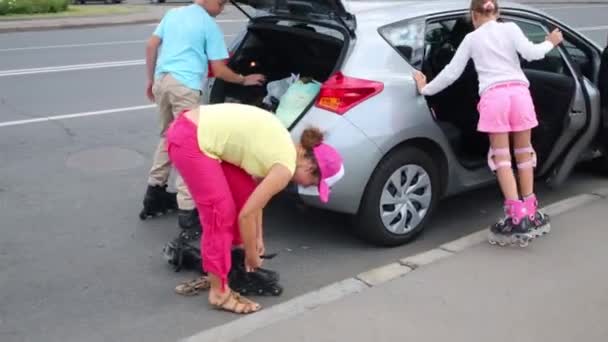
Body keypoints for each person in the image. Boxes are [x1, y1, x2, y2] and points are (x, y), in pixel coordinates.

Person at [165, 103, 345, 314]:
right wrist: (251, 254)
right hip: (189, 138)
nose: (307, 186)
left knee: (243, 196)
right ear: (309, 166)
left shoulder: (284, 148)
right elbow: (246, 215)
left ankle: (227, 264)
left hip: (196, 130)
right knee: (220, 215)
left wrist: (257, 238)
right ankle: (219, 292)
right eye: (314, 183)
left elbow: (253, 201)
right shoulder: (284, 168)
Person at [413, 0, 563, 246]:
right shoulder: (511, 28)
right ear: (498, 12)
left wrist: (425, 88)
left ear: (473, 15)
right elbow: (532, 54)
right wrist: (551, 42)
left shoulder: (472, 39)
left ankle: (516, 220)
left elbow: (452, 72)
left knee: (502, 158)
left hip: (495, 99)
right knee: (525, 154)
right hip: (520, 95)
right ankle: (531, 213)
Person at [141, 0, 266, 230]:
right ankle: (187, 211)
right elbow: (219, 70)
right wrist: (243, 79)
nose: (222, 9)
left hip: (162, 81)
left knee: (169, 136)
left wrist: (150, 80)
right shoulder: (208, 25)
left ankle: (154, 194)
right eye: (220, 3)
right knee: (190, 146)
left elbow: (151, 45)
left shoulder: (174, 13)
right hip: (184, 87)